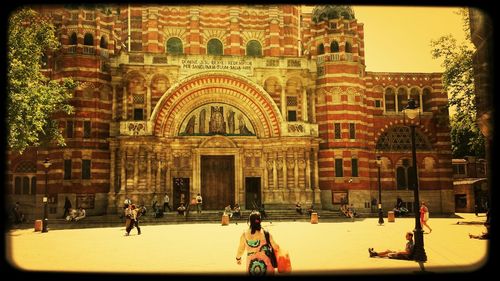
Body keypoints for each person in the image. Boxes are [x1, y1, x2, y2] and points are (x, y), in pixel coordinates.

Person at [235, 211, 280, 275]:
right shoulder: (266, 233)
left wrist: (238, 258)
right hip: (267, 265)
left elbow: (240, 249)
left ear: (250, 221)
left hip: (252, 266)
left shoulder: (244, 234)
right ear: (260, 221)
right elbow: (276, 247)